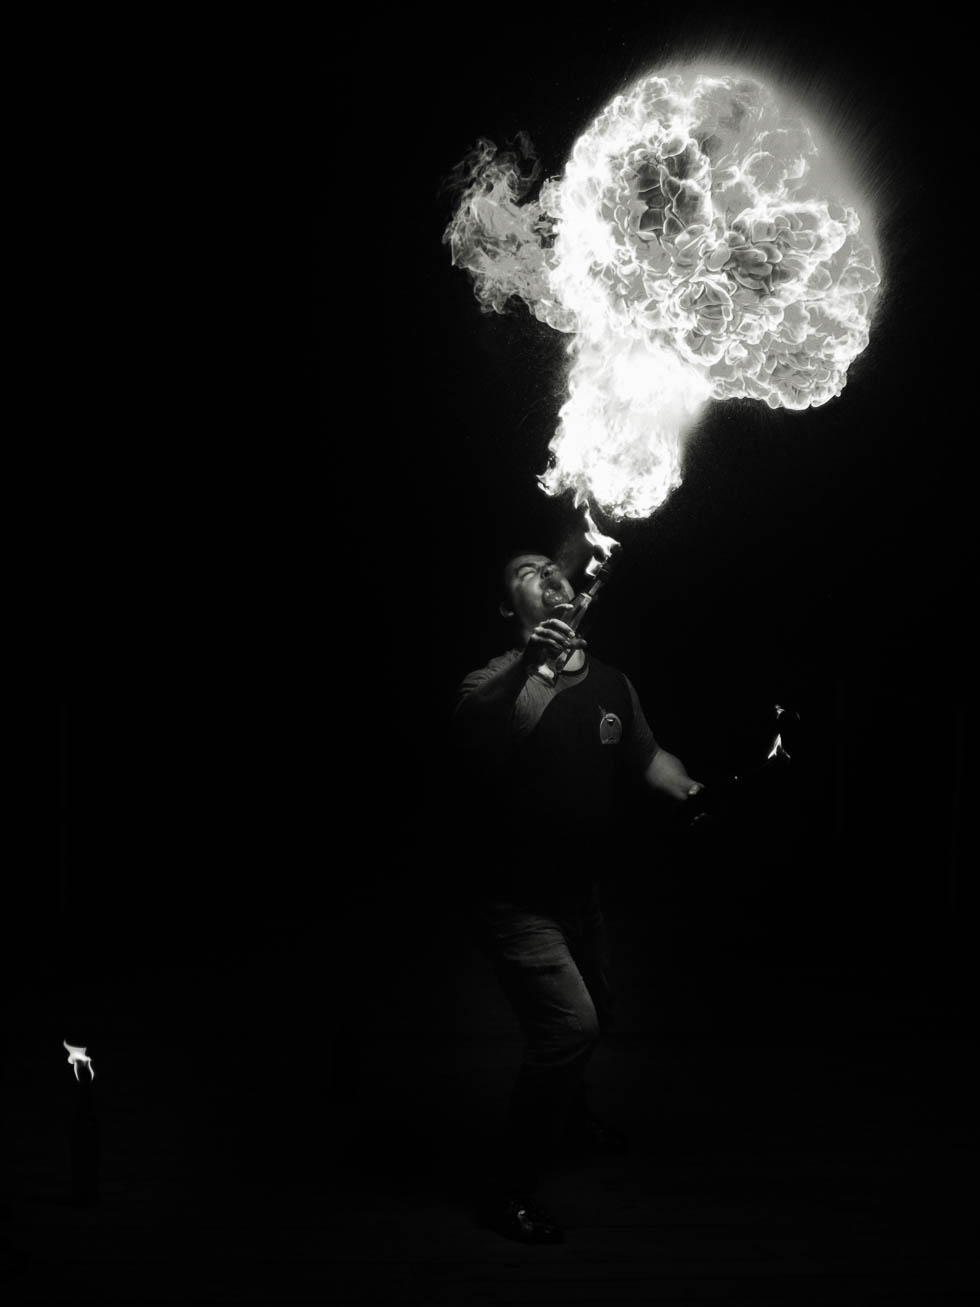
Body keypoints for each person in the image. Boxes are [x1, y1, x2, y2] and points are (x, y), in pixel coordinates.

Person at [452, 549, 704, 1244]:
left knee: (601, 1007)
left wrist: (687, 787)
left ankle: (569, 1115)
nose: (546, 572)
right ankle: (509, 1190)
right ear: (509, 608)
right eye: (524, 572)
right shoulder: (493, 681)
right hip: (513, 899)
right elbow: (475, 728)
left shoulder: (614, 683)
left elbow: (649, 758)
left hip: (578, 895)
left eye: (549, 564)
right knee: (569, 1029)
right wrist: (530, 665)